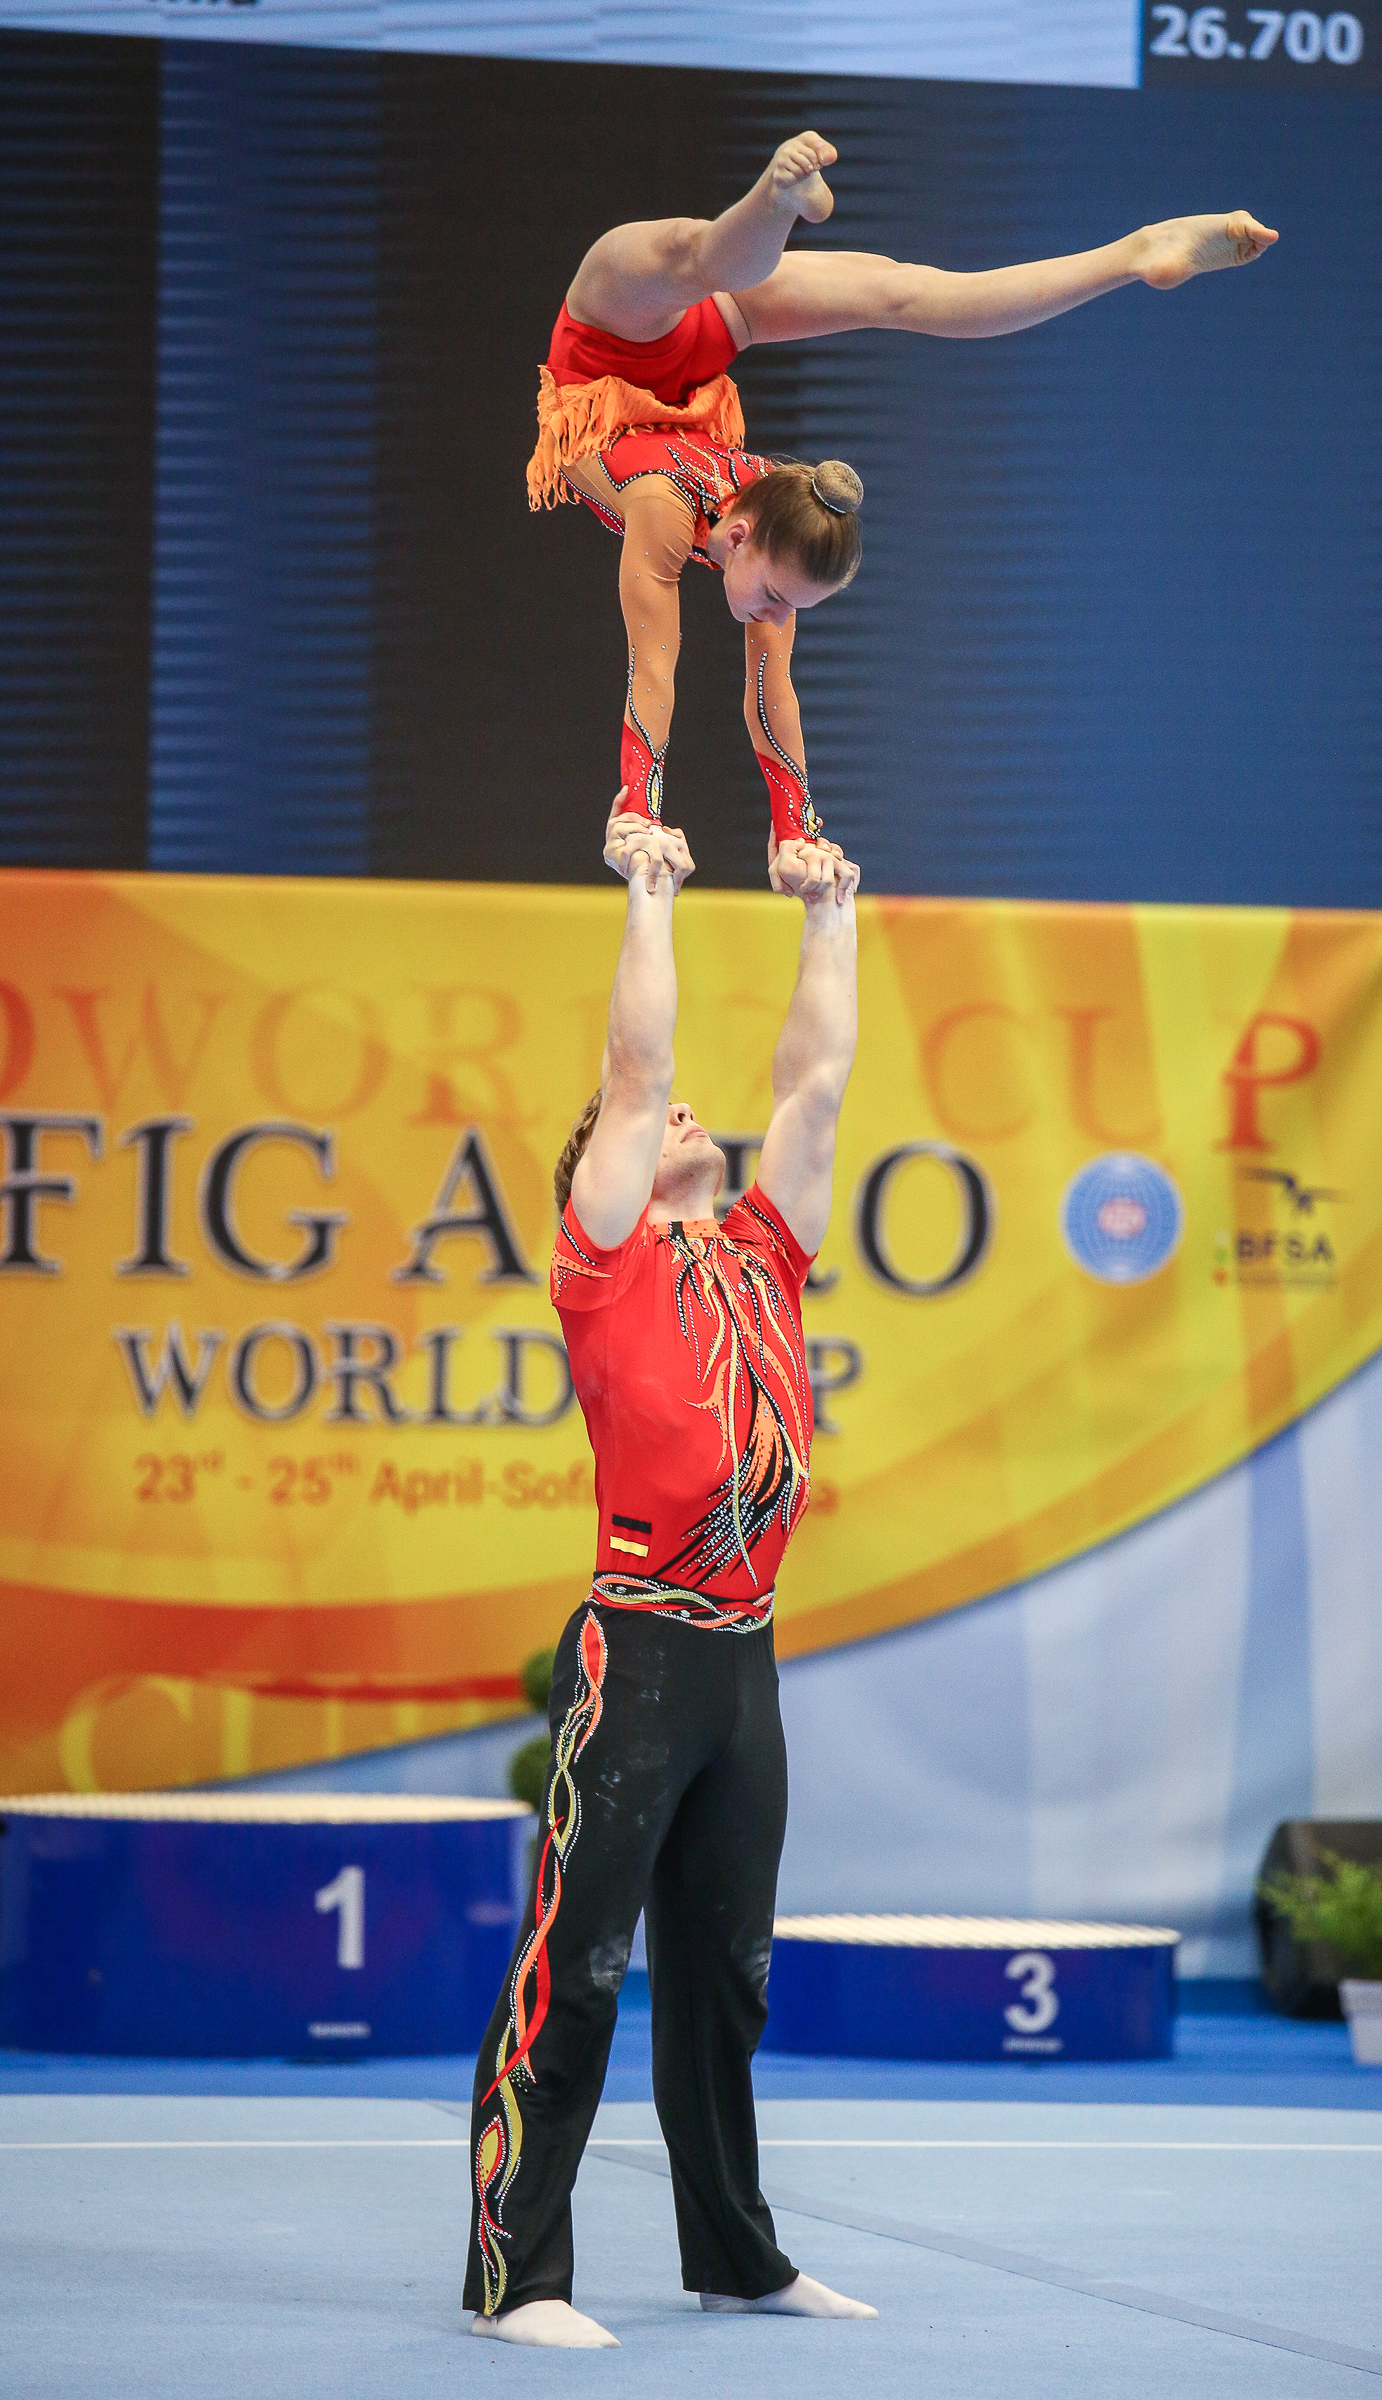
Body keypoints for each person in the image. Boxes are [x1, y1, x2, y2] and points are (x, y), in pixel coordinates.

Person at [465, 797, 866, 2348]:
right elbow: (634, 1074)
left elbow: (814, 1083)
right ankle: (517, 2273)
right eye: (651, 1125)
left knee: (724, 1979)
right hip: (635, 1654)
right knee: (576, 1965)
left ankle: (733, 2256)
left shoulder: (763, 1253)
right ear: (609, 1177)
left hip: (742, 1662)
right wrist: (648, 888)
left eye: (699, 1113)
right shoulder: (604, 1263)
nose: (685, 1110)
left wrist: (826, 911)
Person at [528, 132, 1278, 861]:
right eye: (777, 599)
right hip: (606, 331)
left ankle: (1137, 252)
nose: (775, 616)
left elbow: (770, 693)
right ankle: (775, 198)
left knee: (905, 291)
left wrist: (797, 830)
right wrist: (640, 812)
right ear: (740, 537)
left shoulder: (780, 529)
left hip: (697, 351)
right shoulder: (664, 510)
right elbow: (653, 665)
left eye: (787, 606)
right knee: (692, 256)